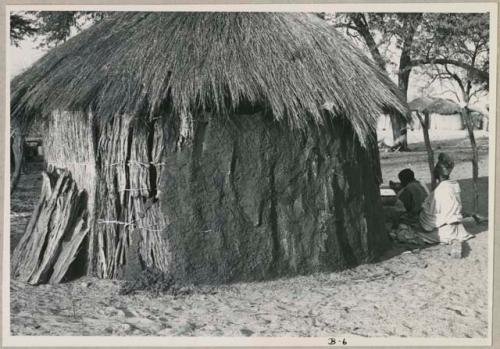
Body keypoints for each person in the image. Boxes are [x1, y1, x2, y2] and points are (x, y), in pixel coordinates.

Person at [390, 153, 473, 258]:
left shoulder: (439, 191)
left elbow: (429, 220)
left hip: (445, 230)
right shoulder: (454, 185)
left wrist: (417, 217)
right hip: (457, 228)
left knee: (402, 231)